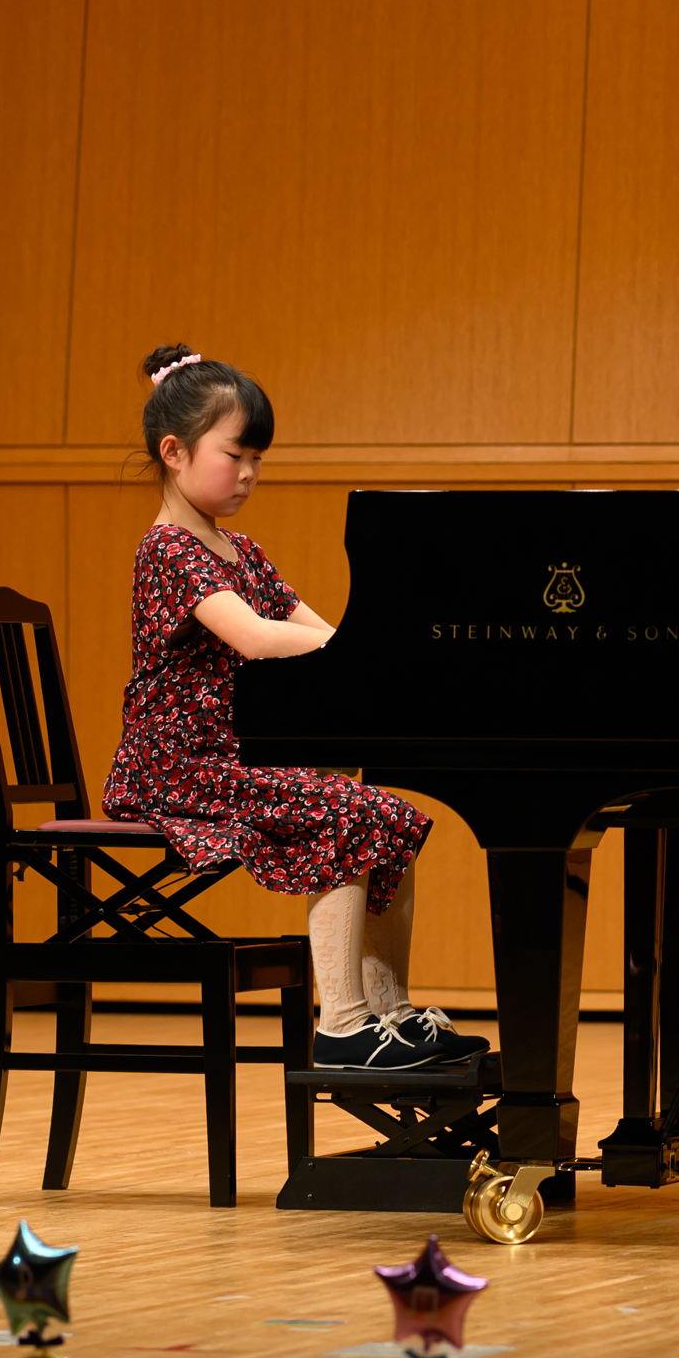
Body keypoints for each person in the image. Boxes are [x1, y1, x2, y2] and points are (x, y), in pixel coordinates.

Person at [102, 343, 487, 1070]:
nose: (248, 473)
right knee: (346, 809)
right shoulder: (168, 549)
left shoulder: (241, 551)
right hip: (176, 769)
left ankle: (391, 1012)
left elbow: (321, 633)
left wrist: (400, 655)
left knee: (395, 816)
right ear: (175, 451)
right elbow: (253, 636)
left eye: (258, 458)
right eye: (235, 453)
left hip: (227, 760)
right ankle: (341, 1022)